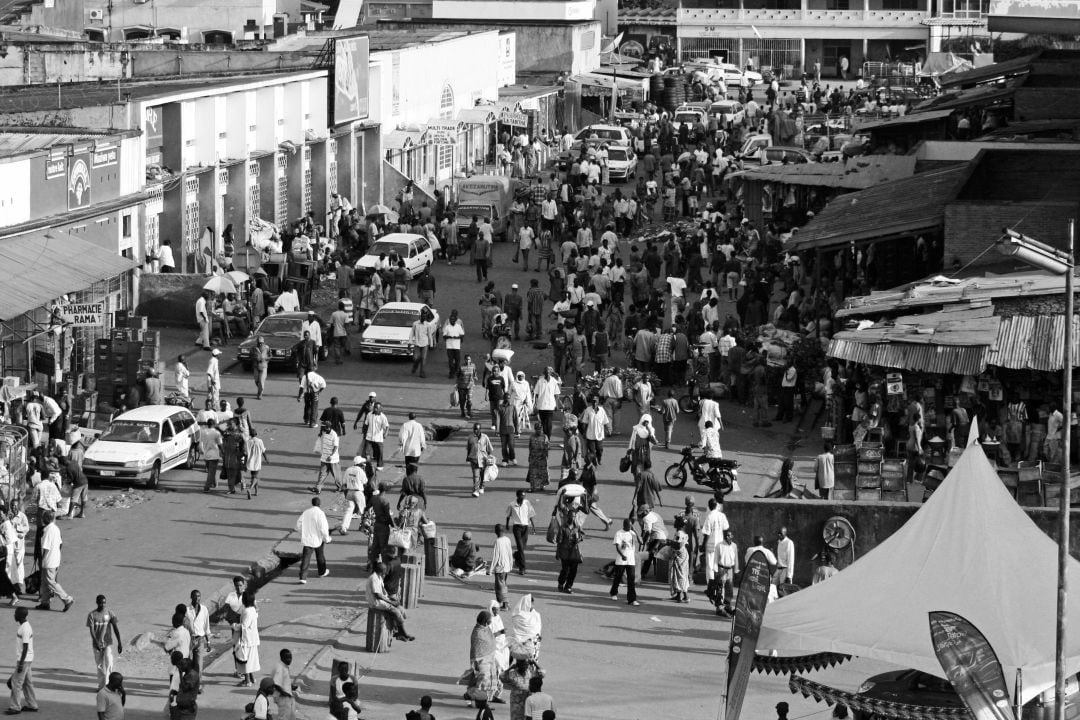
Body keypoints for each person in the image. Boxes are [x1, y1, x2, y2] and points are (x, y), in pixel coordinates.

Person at [366, 561, 413, 641]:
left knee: (401, 609)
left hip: (382, 600)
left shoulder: (379, 577)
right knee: (396, 612)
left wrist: (391, 599)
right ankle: (403, 633)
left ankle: (398, 632)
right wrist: (391, 602)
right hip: (376, 602)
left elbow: (383, 592)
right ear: (382, 571)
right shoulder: (374, 578)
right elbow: (378, 595)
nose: (386, 572)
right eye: (385, 571)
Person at [36, 510, 73, 612]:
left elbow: (46, 548)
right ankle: (45, 602)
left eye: (43, 518)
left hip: (49, 561)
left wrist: (42, 560)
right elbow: (60, 544)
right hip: (55, 559)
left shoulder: (48, 531)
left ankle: (67, 599)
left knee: (51, 582)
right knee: (45, 582)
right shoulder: (56, 529)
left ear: (46, 519)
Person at [87, 594, 123, 689]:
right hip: (97, 645)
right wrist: (96, 642)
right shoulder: (92, 615)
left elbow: (115, 628)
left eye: (104, 603)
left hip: (107, 643)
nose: (102, 605)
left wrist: (119, 642)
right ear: (97, 603)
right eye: (100, 603)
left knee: (109, 662)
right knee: (100, 666)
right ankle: (101, 686)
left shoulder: (110, 613)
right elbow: (92, 631)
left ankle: (108, 685)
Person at [296, 497, 332, 584]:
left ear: (312, 503)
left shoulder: (306, 512)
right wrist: (327, 538)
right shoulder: (320, 513)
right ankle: (322, 572)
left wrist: (303, 532)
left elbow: (298, 525)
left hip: (307, 538)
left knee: (306, 558)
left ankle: (303, 577)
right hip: (318, 538)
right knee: (320, 556)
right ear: (320, 504)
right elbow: (323, 527)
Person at [8, 606, 36, 713]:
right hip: (28, 659)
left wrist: (20, 664)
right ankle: (32, 705)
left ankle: (15, 707)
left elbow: (25, 647)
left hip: (24, 660)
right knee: (27, 683)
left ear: (21, 615)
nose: (14, 615)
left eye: (16, 613)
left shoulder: (25, 628)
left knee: (16, 683)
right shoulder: (24, 626)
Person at [183, 589, 209, 692]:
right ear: (191, 597)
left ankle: (198, 685)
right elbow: (184, 624)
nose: (197, 598)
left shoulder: (204, 609)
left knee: (198, 664)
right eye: (195, 596)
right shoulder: (187, 610)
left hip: (200, 639)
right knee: (188, 663)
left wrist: (208, 641)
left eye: (198, 596)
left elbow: (207, 626)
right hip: (190, 640)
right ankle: (188, 684)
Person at [233, 590, 260, 687]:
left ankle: (247, 680)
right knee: (251, 658)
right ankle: (252, 678)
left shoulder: (247, 611)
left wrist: (235, 626)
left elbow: (244, 626)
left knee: (245, 659)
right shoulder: (253, 609)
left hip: (247, 639)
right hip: (253, 639)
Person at [610, 517, 640, 606]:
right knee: (617, 578)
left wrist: (635, 531)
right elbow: (617, 546)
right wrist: (622, 555)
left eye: (631, 526)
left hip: (631, 560)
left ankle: (632, 599)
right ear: (624, 525)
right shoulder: (619, 533)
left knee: (631, 580)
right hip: (621, 560)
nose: (629, 528)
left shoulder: (632, 533)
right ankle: (613, 592)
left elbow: (641, 541)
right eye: (628, 526)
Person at [506, 490, 536, 575]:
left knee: (522, 547)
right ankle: (522, 568)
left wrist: (533, 526)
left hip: (525, 527)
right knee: (521, 548)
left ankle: (516, 555)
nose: (522, 498)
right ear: (517, 496)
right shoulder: (512, 504)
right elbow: (508, 515)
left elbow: (531, 515)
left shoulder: (527, 503)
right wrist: (507, 525)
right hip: (517, 528)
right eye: (521, 496)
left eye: (524, 496)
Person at [509, 594, 542, 661]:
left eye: (533, 603)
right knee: (521, 660)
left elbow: (538, 627)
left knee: (532, 660)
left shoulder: (536, 615)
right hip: (521, 643)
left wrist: (539, 636)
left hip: (534, 642)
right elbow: (518, 631)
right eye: (531, 604)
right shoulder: (518, 616)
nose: (532, 606)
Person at [488, 525, 514, 609]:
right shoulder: (507, 539)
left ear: (496, 531)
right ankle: (504, 603)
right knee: (503, 584)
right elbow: (510, 552)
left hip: (500, 567)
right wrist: (511, 564)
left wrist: (491, 569)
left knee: (500, 586)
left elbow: (496, 556)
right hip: (506, 566)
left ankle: (504, 604)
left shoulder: (497, 541)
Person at [311, 421, 341, 495]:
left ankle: (340, 488)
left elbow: (335, 447)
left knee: (336, 475)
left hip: (333, 459)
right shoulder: (323, 432)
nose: (322, 428)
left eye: (323, 427)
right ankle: (318, 488)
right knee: (322, 474)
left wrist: (331, 456)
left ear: (328, 427)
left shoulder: (334, 435)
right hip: (324, 458)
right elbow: (320, 435)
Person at [466, 423, 495, 498]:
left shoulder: (485, 437)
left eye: (477, 429)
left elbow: (490, 449)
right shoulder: (470, 438)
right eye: (474, 429)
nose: (475, 430)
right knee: (476, 475)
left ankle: (482, 486)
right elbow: (468, 449)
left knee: (482, 475)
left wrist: (489, 457)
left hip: (483, 460)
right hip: (474, 460)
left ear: (480, 429)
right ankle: (475, 490)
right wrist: (468, 458)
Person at [272, 648, 300, 720]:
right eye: (287, 658)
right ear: (282, 658)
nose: (289, 660)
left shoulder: (284, 666)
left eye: (290, 658)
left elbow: (282, 681)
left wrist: (291, 687)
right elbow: (276, 684)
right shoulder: (280, 668)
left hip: (287, 696)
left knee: (291, 715)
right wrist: (284, 693)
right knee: (284, 716)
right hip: (283, 697)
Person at [365, 402, 390, 470]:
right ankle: (368, 465)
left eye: (377, 408)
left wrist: (386, 433)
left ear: (380, 409)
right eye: (374, 407)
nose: (375, 409)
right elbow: (366, 424)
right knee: (367, 452)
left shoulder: (383, 417)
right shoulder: (369, 414)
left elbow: (387, 426)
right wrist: (365, 434)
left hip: (378, 438)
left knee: (380, 452)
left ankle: (380, 465)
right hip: (369, 437)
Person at [525, 425, 550, 493]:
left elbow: (547, 447)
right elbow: (530, 447)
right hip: (533, 458)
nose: (539, 431)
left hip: (542, 458)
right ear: (535, 429)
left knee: (542, 473)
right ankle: (533, 487)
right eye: (538, 429)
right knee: (533, 473)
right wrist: (529, 456)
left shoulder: (545, 437)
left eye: (540, 429)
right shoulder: (532, 437)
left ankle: (542, 486)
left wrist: (546, 457)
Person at [245, 428, 267, 499]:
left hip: (250, 461)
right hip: (257, 460)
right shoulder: (260, 441)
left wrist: (245, 462)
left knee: (253, 476)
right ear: (256, 434)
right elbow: (263, 451)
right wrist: (266, 458)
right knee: (256, 477)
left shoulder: (248, 442)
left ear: (250, 435)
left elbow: (246, 453)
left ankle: (256, 491)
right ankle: (250, 488)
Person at [443, 310, 466, 379]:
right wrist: (449, 337)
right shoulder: (447, 327)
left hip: (457, 346)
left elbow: (462, 334)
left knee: (457, 360)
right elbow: (444, 336)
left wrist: (458, 338)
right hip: (449, 346)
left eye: (453, 319)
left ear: (456, 320)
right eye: (451, 319)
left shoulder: (458, 326)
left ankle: (456, 371)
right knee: (450, 360)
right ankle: (451, 372)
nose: (452, 321)